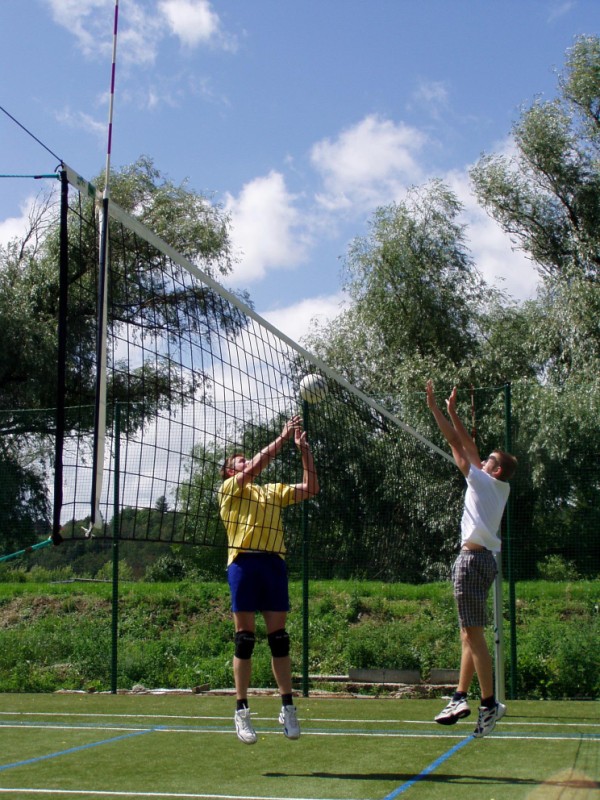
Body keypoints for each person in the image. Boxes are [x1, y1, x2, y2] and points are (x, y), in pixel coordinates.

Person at [218, 414, 319, 745]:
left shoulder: (271, 492)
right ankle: (241, 710)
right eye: (239, 461)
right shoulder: (229, 490)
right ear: (229, 472)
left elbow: (311, 488)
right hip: (243, 563)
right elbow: (256, 466)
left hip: (273, 563)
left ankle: (287, 707)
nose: (245, 462)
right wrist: (282, 437)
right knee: (245, 639)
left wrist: (304, 451)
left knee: (279, 640)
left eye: (245, 459)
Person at [426, 381, 517, 738]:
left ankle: (489, 704)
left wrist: (438, 409)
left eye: (489, 460)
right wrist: (451, 411)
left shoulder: (482, 481)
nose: (483, 460)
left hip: (471, 561)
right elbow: (470, 447)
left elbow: (457, 443)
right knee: (470, 632)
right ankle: (459, 697)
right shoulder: (498, 486)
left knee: (473, 636)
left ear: (494, 469)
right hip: (485, 562)